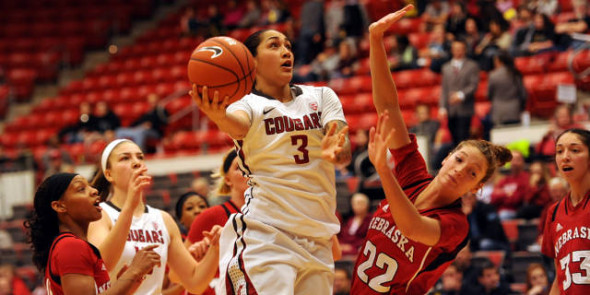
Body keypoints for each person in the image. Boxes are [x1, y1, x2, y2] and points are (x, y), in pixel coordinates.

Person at [350, 6, 512, 294]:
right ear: (448, 157)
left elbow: (411, 227)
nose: (460, 170)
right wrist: (376, 40)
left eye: (472, 172)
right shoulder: (413, 173)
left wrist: (385, 173)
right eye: (460, 159)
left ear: (477, 186)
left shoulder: (455, 224)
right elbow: (388, 107)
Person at [190, 27, 351, 293]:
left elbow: (342, 143)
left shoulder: (322, 96)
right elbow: (236, 125)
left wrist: (339, 149)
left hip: (318, 240)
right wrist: (218, 115)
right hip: (266, 236)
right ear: (250, 62)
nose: (286, 51)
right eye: (274, 46)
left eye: (287, 45)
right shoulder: (246, 104)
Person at [87, 139, 221, 294]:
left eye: (140, 157)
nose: (136, 162)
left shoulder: (163, 219)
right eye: (125, 158)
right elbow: (103, 266)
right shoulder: (100, 214)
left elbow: (194, 282)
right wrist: (130, 206)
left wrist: (215, 249)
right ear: (109, 174)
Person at [24, 173, 160, 294]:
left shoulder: (71, 245)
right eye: (81, 189)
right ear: (59, 206)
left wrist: (134, 277)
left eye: (90, 186)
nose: (94, 191)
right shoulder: (70, 246)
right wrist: (133, 271)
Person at [185, 148, 248, 295]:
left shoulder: (268, 214)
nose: (247, 171)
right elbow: (176, 275)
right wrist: (197, 258)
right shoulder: (210, 216)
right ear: (227, 179)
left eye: (250, 165)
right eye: (239, 167)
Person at [541, 129, 590, 294]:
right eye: (559, 151)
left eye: (575, 150)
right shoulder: (554, 212)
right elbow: (559, 277)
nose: (565, 157)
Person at [439, 38, 480, 147]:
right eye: (455, 49)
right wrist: (442, 107)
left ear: (465, 50)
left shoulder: (472, 65)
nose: (458, 51)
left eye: (460, 49)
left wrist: (461, 95)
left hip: (465, 108)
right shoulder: (446, 67)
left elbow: (473, 85)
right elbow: (444, 88)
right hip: (451, 109)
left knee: (464, 138)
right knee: (454, 139)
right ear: (452, 50)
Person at [490, 150, 530, 220]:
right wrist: (507, 194)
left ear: (523, 162)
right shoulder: (505, 180)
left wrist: (502, 193)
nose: (514, 163)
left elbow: (518, 198)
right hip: (500, 212)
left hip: (516, 212)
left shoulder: (527, 178)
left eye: (517, 160)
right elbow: (493, 197)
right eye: (513, 160)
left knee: (502, 216)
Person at [338, 192, 372, 257]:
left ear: (367, 205)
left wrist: (352, 246)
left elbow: (369, 238)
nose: (357, 206)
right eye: (354, 204)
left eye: (360, 203)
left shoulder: (370, 220)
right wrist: (342, 245)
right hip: (346, 247)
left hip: (358, 248)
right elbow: (343, 236)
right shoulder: (350, 220)